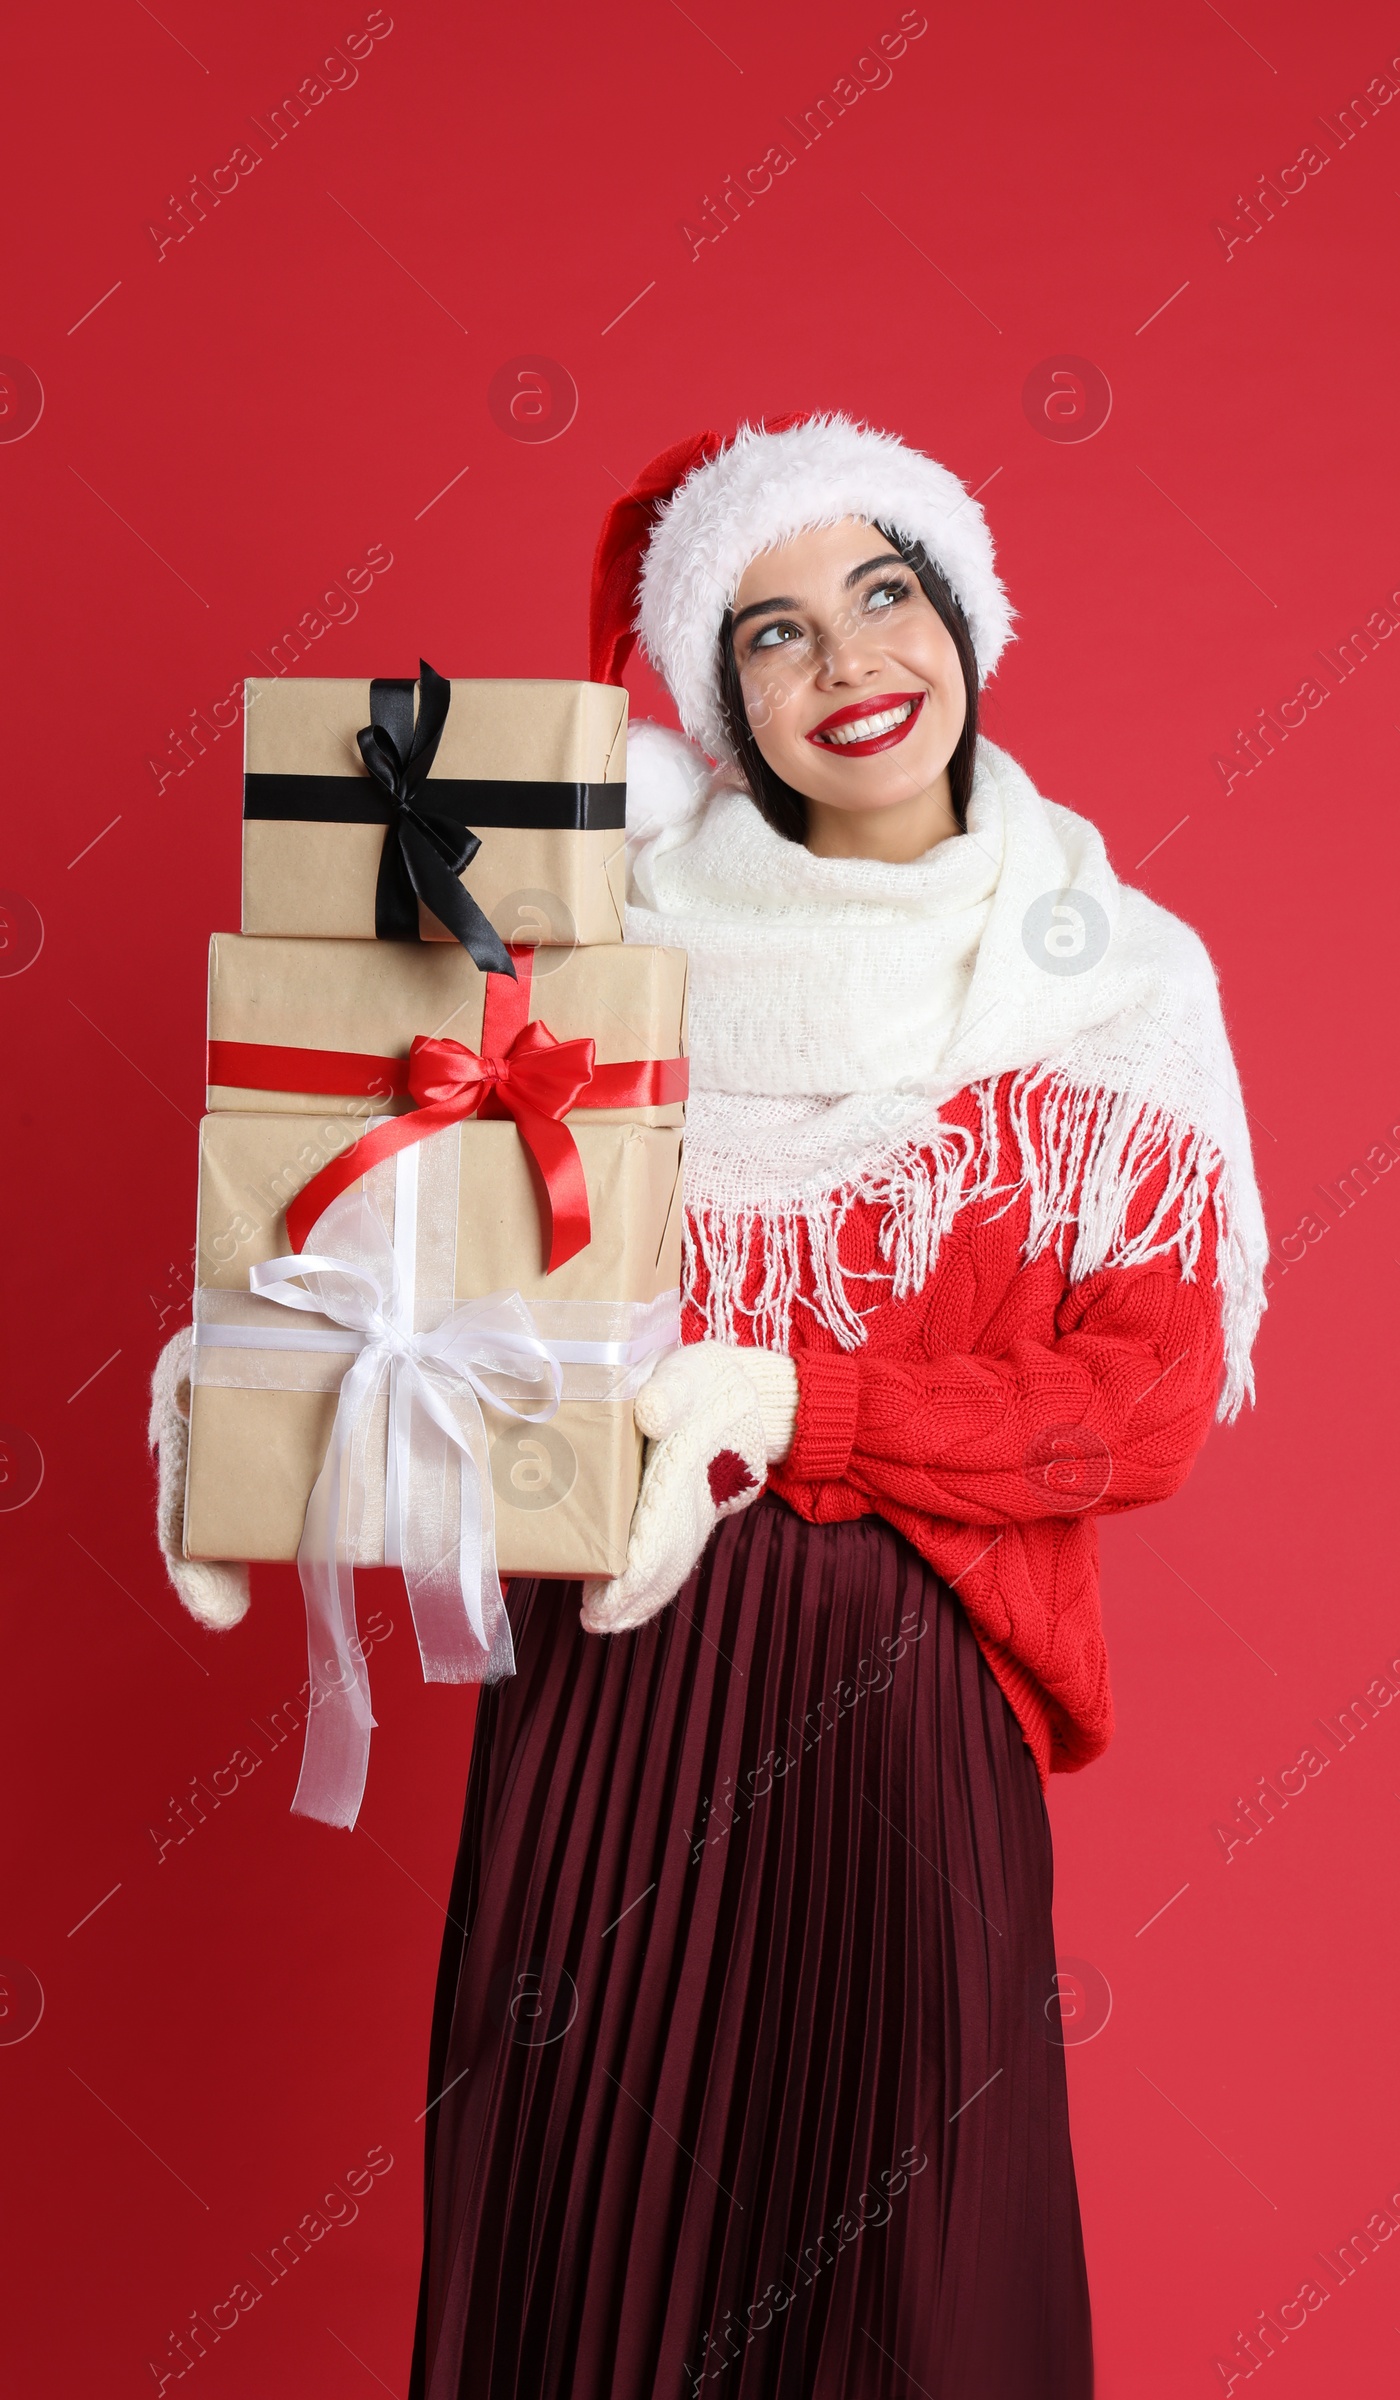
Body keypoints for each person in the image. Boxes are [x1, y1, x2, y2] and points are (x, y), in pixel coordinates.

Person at [403, 413, 1268, 2398]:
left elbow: (1134, 1415)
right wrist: (286, 1366)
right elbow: (446, 1275)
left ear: (962, 615)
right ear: (718, 699)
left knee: (906, 2297)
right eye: (770, 632)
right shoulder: (601, 950)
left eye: (883, 593)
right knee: (582, 2250)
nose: (848, 663)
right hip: (608, 1691)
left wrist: (787, 1401)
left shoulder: (1106, 982)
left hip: (906, 1714)